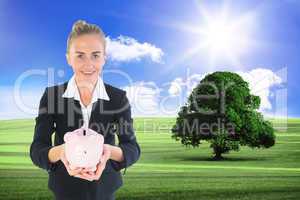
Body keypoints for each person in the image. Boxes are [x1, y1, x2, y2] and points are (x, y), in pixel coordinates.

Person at [30, 20, 141, 200]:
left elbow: (132, 147)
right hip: (64, 188)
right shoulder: (52, 97)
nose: (88, 64)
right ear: (68, 58)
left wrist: (108, 152)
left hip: (105, 190)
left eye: (95, 55)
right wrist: (62, 152)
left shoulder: (118, 98)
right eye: (80, 55)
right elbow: (37, 149)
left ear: (104, 57)